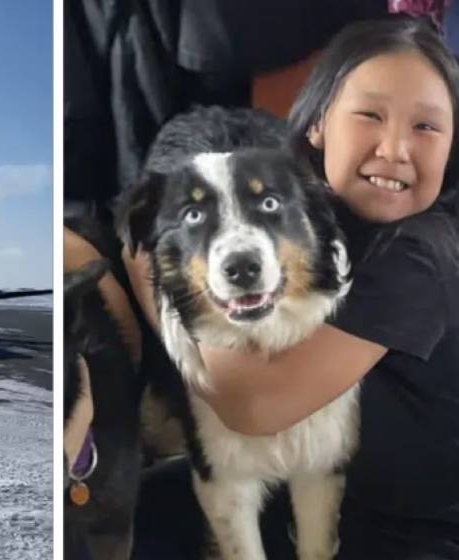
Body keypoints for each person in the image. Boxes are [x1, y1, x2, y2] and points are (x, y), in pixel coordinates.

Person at [117, 16, 459, 559]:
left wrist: (149, 276)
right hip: (330, 492)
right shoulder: (325, 211)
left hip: (405, 536)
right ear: (319, 124)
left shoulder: (418, 257)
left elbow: (249, 405)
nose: (395, 147)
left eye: (427, 127)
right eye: (371, 114)